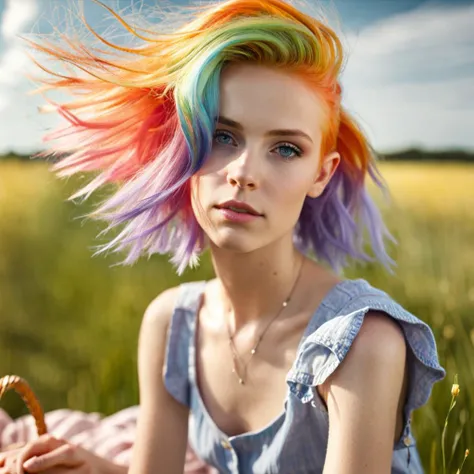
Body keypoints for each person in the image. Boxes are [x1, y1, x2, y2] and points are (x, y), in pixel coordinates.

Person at [5, 0, 446, 472]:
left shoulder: (361, 344)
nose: (243, 173)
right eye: (223, 136)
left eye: (285, 148)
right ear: (185, 148)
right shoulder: (172, 324)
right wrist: (95, 468)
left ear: (322, 173)